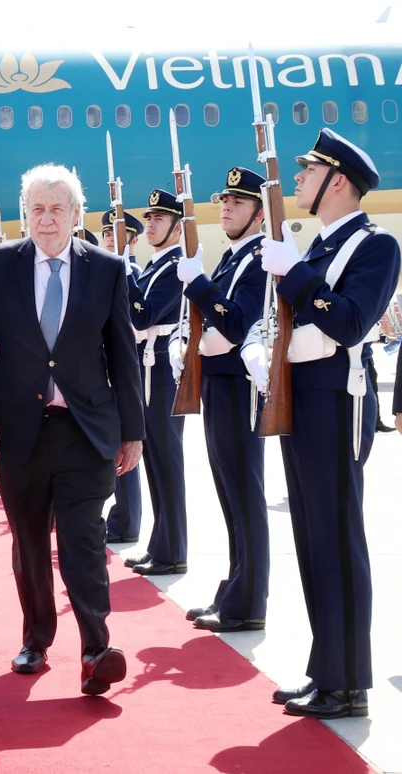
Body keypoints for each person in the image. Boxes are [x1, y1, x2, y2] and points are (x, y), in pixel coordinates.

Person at [0, 164, 143, 694]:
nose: (46, 219)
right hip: (18, 431)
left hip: (85, 429)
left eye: (56, 208)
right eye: (37, 209)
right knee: (29, 543)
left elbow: (122, 353)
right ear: (27, 214)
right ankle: (36, 637)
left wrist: (132, 431)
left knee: (84, 539)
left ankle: (95, 647)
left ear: (75, 214)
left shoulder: (107, 269)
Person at [242, 129, 400, 719]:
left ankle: (350, 682)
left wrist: (297, 278)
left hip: (337, 402)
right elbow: (281, 319)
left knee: (336, 539)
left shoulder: (374, 246)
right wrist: (263, 351)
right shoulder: (310, 247)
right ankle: (326, 669)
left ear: (338, 181)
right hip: (298, 400)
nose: (299, 180)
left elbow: (351, 322)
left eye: (309, 171)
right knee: (311, 539)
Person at [170, 167, 269, 633]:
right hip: (219, 384)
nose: (226, 207)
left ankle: (249, 600)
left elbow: (235, 322)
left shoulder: (258, 260)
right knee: (230, 494)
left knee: (245, 494)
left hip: (239, 388)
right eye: (225, 200)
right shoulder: (234, 259)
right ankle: (235, 588)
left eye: (239, 202)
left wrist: (199, 285)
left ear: (261, 213)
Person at [123, 189, 187, 577]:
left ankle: (173, 548)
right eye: (148, 219)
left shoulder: (175, 266)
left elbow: (144, 315)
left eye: (159, 219)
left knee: (167, 459)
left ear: (178, 227)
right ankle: (161, 546)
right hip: (149, 365)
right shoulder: (154, 265)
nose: (150, 224)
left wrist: (124, 271)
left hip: (164, 367)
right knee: (155, 460)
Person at [100, 209, 145, 543]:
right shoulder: (97, 273)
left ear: (133, 240)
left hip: (126, 369)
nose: (109, 239)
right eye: (105, 234)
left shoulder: (135, 274)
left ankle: (127, 522)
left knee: (125, 450)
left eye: (117, 233)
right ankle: (117, 516)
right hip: (100, 371)